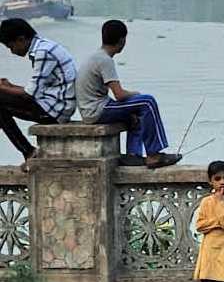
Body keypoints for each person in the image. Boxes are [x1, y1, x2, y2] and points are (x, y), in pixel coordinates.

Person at [76, 19, 181, 169]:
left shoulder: (97, 57)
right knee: (147, 102)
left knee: (136, 114)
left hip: (93, 108)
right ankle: (154, 154)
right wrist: (135, 94)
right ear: (122, 40)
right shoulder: (104, 60)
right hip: (96, 111)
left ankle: (133, 154)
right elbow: (119, 94)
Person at [0, 17, 76, 168]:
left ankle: (28, 151)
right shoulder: (45, 46)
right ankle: (27, 150)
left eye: (11, 46)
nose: (12, 51)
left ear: (21, 39)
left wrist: (3, 88)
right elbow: (35, 91)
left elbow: (29, 94)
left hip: (55, 111)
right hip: (54, 104)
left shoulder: (43, 53)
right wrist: (9, 86)